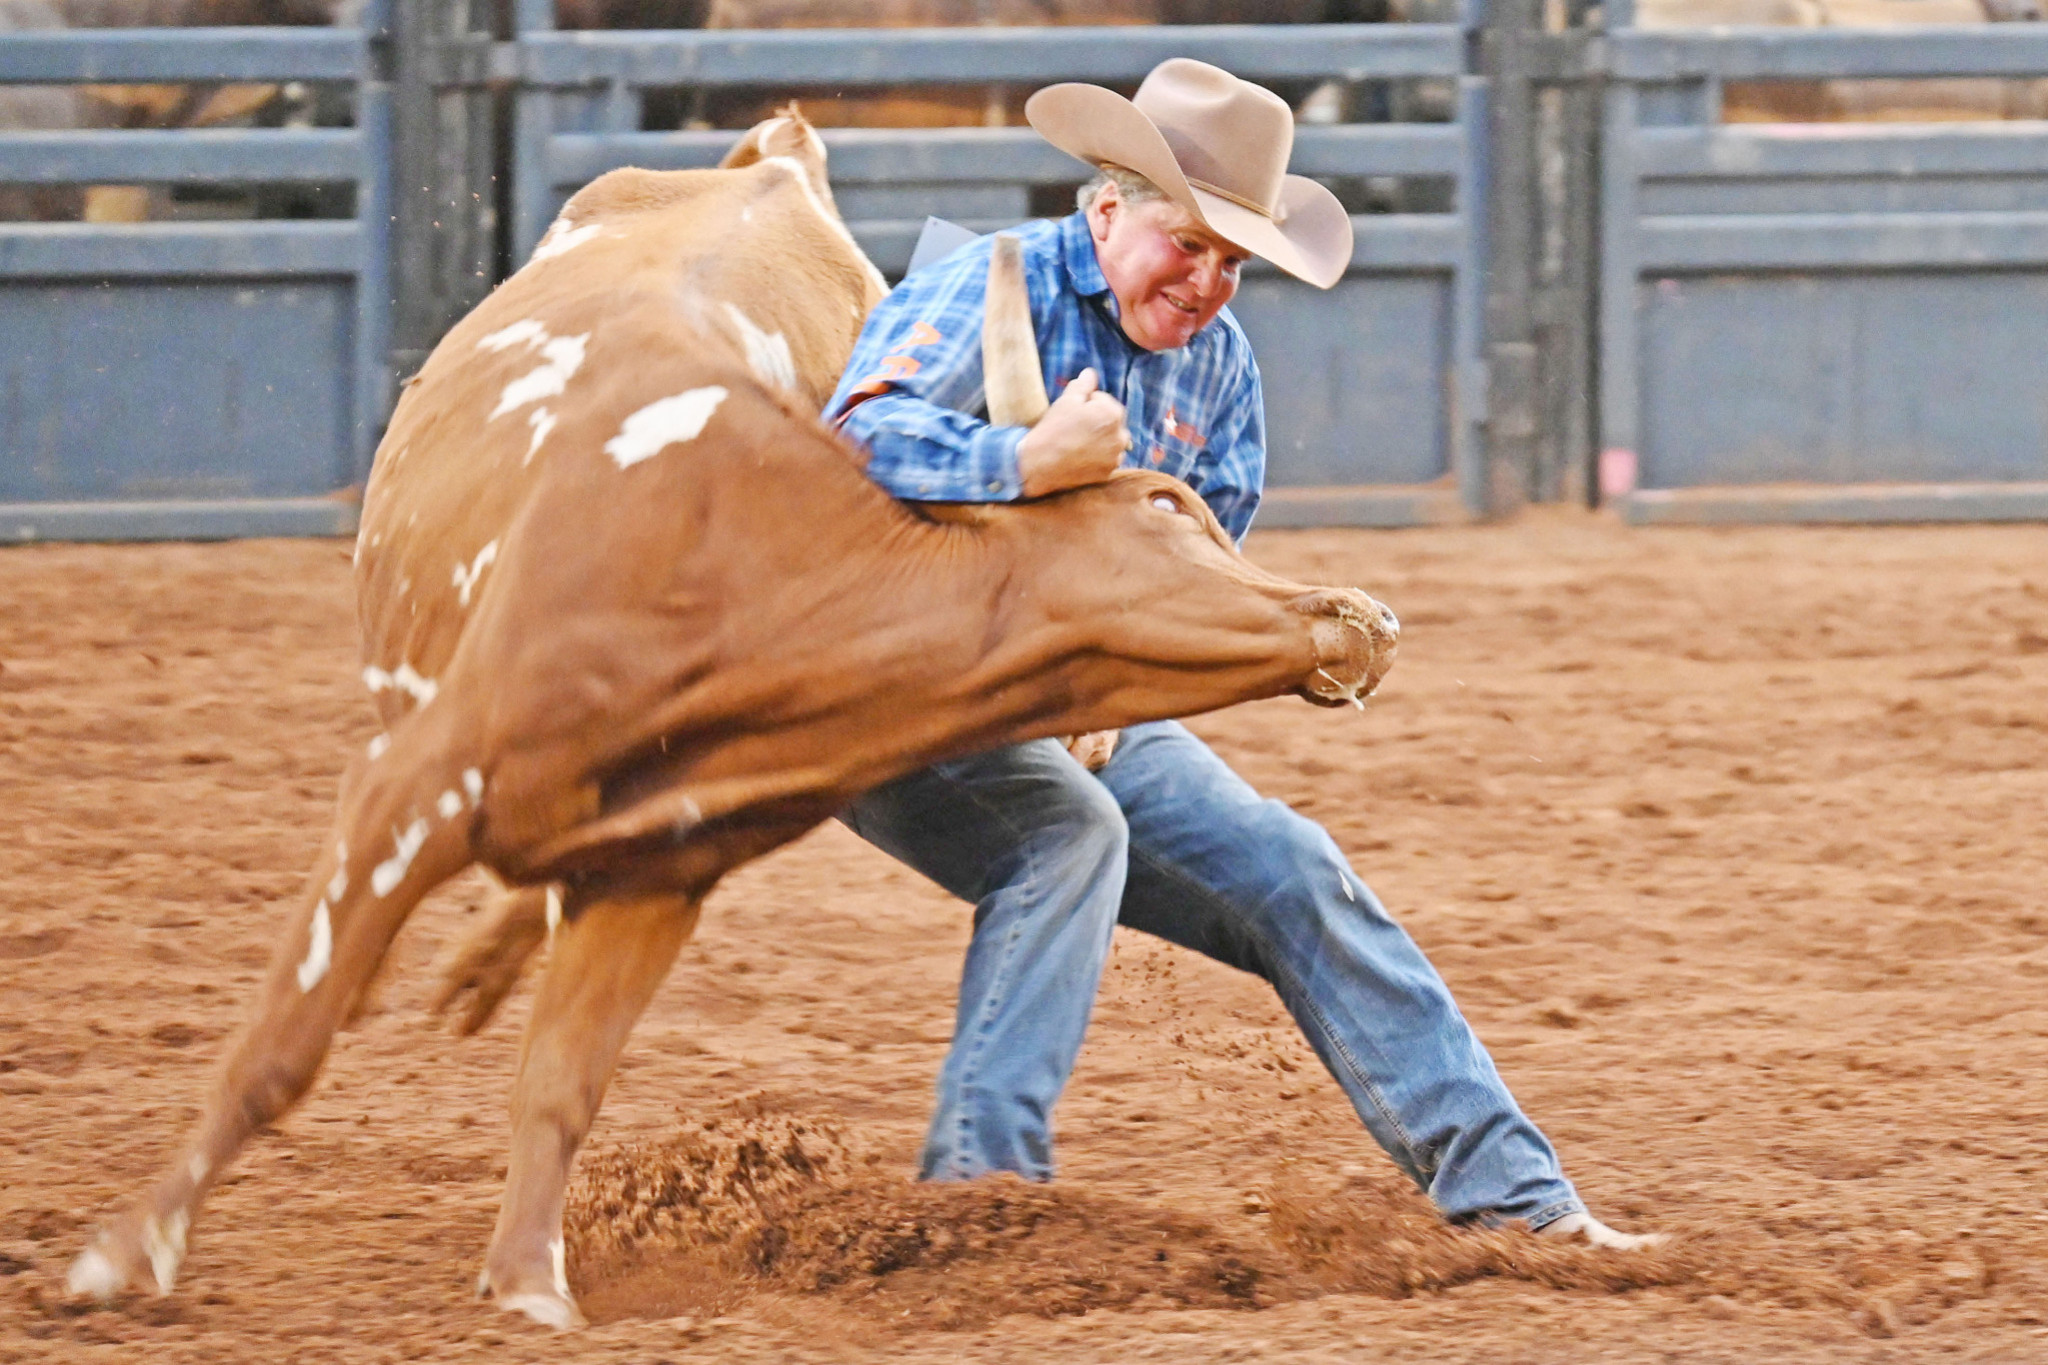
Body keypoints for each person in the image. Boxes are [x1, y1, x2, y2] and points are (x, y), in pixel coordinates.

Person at [822, 58, 1655, 1249]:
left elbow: (1195, 574)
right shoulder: (986, 284)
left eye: (1232, 261)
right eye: (1186, 244)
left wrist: (1145, 678)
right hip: (895, 682)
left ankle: (1520, 1210)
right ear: (1105, 212)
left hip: (1076, 697)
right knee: (1069, 836)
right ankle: (980, 1204)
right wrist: (1019, 468)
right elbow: (851, 436)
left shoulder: (1218, 369)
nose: (1208, 282)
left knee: (1291, 868)